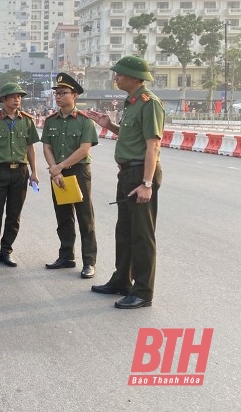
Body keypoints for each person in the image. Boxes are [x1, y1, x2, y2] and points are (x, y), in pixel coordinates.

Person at [86, 56, 164, 309]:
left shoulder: (149, 103)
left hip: (141, 173)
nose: (116, 77)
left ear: (133, 77)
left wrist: (147, 183)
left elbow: (153, 145)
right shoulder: (131, 104)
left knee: (142, 235)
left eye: (119, 74)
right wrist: (110, 126)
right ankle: (122, 281)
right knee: (125, 231)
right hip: (128, 173)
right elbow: (133, 136)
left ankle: (142, 292)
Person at [41, 73, 99, 279]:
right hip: (57, 172)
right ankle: (66, 256)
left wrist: (60, 166)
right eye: (56, 93)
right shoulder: (50, 121)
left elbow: (84, 149)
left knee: (85, 218)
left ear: (74, 95)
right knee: (63, 216)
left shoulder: (85, 121)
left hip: (78, 171)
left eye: (63, 93)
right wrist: (53, 168)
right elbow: (46, 146)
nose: (58, 96)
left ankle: (89, 262)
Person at [0, 82, 40, 267]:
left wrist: (34, 172)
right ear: (3, 99)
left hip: (20, 172)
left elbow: (30, 148)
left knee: (14, 215)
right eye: (13, 96)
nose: (17, 99)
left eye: (19, 96)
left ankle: (6, 251)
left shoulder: (27, 120)